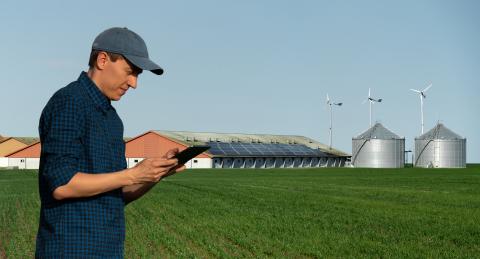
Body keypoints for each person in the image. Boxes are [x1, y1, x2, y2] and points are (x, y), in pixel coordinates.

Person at [35, 27, 185, 258]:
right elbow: (61, 184)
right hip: (71, 250)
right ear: (103, 59)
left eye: (137, 75)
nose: (133, 83)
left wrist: (154, 174)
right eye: (130, 71)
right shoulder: (69, 102)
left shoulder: (112, 119)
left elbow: (116, 194)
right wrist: (133, 174)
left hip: (108, 250)